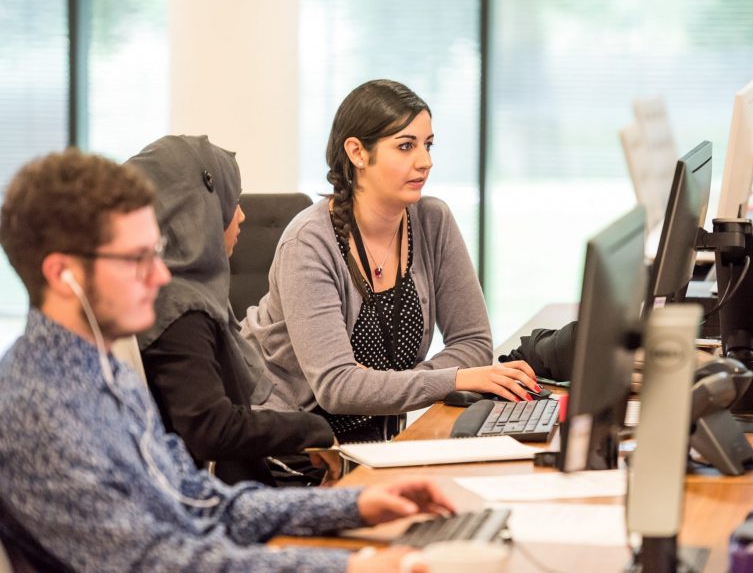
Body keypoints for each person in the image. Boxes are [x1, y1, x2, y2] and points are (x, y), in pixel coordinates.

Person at [0, 148, 453, 572]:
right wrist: (345, 566)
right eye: (137, 258)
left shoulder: (106, 374)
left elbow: (200, 500)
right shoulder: (39, 409)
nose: (160, 275)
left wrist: (352, 505)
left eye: (155, 253)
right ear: (63, 275)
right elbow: (161, 561)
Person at [241, 79, 540, 442]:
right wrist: (453, 378)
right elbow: (337, 387)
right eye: (405, 146)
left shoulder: (432, 221)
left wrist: (388, 385)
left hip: (377, 441)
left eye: (428, 145)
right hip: (295, 447)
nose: (425, 162)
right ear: (357, 153)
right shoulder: (309, 243)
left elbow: (474, 342)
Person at [129, 135, 337, 487]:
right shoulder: (180, 309)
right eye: (232, 201)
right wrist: (312, 430)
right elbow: (210, 429)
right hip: (219, 503)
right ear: (197, 210)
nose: (241, 215)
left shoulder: (174, 294)